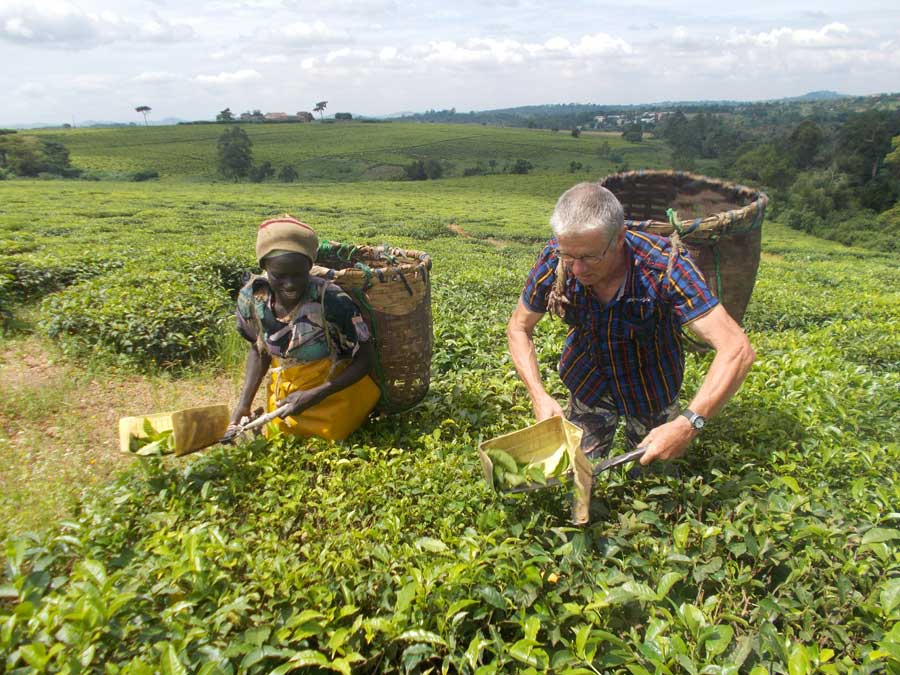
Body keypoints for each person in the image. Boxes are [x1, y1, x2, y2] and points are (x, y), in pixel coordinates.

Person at [506, 183, 755, 467]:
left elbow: (737, 348)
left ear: (620, 238)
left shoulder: (664, 265)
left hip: (652, 388)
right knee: (578, 469)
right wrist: (538, 395)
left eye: (589, 257)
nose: (576, 269)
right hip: (589, 383)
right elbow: (518, 328)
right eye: (569, 255)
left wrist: (688, 424)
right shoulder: (555, 258)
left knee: (650, 472)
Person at [228, 215, 381, 441]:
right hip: (286, 400)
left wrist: (317, 394)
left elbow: (366, 359)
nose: (289, 285)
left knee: (324, 441)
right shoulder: (253, 298)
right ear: (264, 266)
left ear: (310, 266)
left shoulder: (330, 300)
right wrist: (243, 405)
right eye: (279, 275)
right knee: (281, 439)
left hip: (334, 399)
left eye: (298, 274)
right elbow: (258, 351)